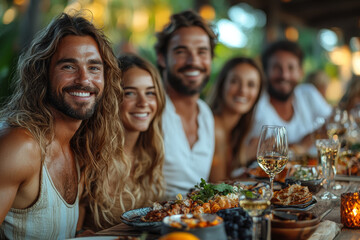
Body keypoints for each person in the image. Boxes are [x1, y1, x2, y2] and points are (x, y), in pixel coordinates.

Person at [0, 12, 124, 239]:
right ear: (43, 74)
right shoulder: (20, 146)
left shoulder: (79, 146)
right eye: (69, 67)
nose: (84, 79)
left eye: (94, 68)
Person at [79, 54, 166, 231]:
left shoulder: (150, 154)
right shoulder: (90, 156)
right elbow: (76, 233)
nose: (143, 103)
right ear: (112, 99)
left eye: (150, 93)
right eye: (130, 93)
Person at [154, 10, 217, 199]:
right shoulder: (148, 108)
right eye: (181, 52)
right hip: (151, 221)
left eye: (202, 52)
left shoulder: (205, 113)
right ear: (162, 57)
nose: (193, 61)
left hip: (198, 221)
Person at [248, 40, 332, 155]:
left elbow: (333, 122)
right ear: (265, 72)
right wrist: (302, 145)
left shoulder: (308, 93)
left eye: (291, 68)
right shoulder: (257, 106)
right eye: (277, 68)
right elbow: (259, 152)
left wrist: (305, 142)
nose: (284, 75)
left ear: (301, 72)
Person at [208, 57, 263, 182]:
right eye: (235, 81)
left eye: (251, 84)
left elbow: (227, 179)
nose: (243, 90)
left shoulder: (236, 129)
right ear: (222, 84)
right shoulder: (215, 127)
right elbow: (218, 187)